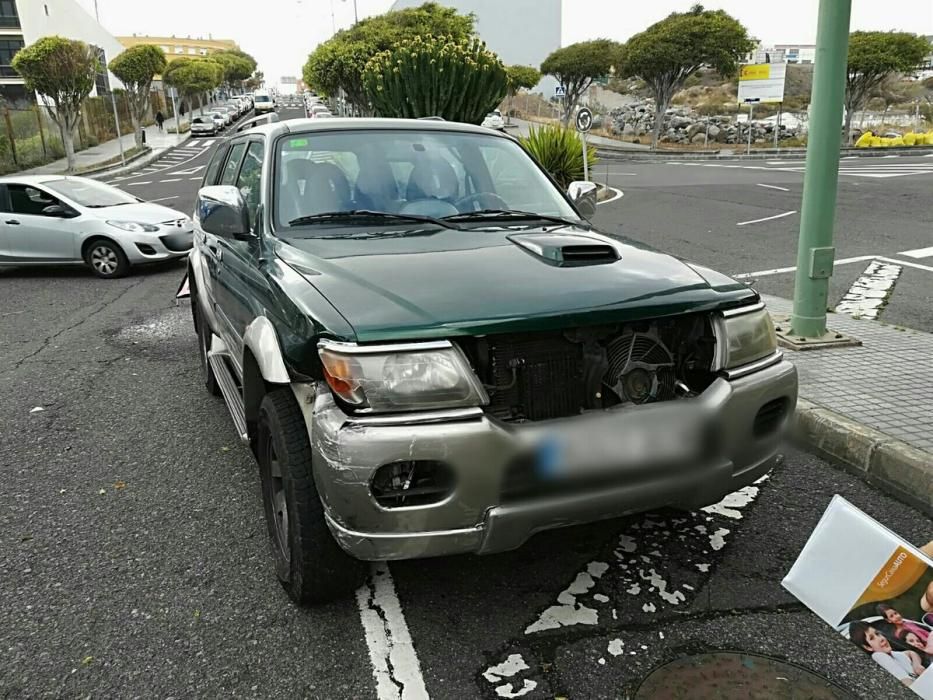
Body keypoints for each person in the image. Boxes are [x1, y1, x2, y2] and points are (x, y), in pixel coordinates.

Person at [850, 620, 925, 687]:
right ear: (867, 647)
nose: (881, 639)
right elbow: (905, 681)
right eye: (872, 638)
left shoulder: (892, 654)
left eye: (877, 633)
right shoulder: (878, 656)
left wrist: (917, 665)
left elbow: (911, 653)